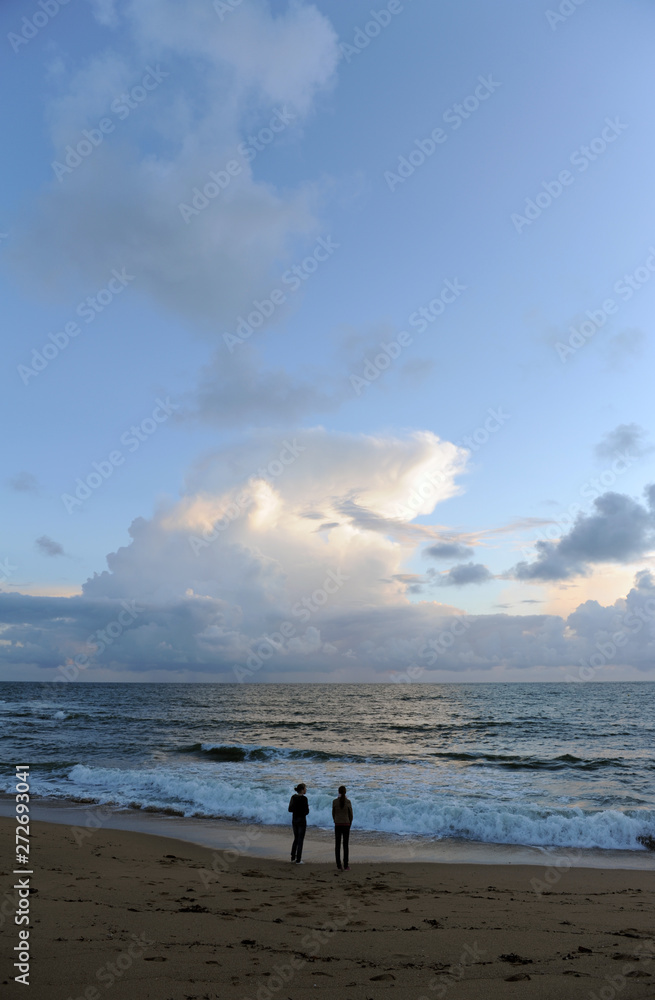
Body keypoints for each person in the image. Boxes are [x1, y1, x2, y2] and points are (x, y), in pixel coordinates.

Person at [332, 785, 353, 871]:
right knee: (345, 845)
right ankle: (346, 865)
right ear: (345, 792)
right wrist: (349, 823)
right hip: (346, 824)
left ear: (338, 792)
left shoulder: (334, 802)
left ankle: (338, 865)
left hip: (338, 824)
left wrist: (335, 820)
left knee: (337, 845)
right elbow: (351, 815)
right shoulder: (348, 802)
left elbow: (333, 813)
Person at [288, 783, 309, 864]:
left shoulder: (293, 797)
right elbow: (306, 812)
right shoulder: (304, 799)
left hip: (294, 819)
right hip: (302, 820)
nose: (306, 790)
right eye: (305, 788)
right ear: (302, 789)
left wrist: (296, 809)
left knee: (296, 838)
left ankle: (293, 857)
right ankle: (299, 859)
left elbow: (290, 809)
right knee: (300, 840)